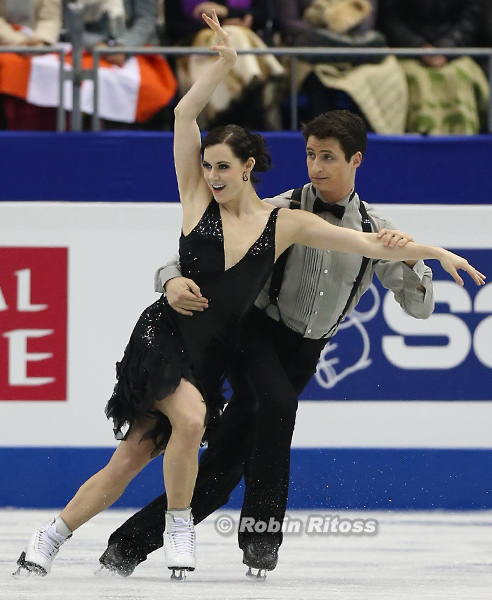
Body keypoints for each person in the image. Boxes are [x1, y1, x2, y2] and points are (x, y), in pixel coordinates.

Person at [15, 10, 485, 581]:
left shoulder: (291, 221)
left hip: (243, 355)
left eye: (224, 167)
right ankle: (226, 535)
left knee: (168, 457)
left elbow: (386, 266)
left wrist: (430, 254)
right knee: (227, 417)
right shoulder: (230, 201)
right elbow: (185, 136)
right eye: (310, 154)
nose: (213, 175)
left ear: (250, 169)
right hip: (214, 336)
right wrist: (224, 67)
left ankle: (85, 542)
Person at [96, 108, 483, 579]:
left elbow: (419, 309)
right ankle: (262, 541)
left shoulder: (372, 228)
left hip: (305, 353)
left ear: (355, 160)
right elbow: (192, 250)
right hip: (253, 335)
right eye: (309, 155)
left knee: (224, 466)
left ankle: (126, 548)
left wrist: (417, 259)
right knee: (277, 404)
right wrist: (170, 280)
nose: (316, 167)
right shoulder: (275, 208)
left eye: (328, 158)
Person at [273, 0, 409, 134]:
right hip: (313, 55)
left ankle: (370, 139)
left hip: (358, 53)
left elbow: (368, 22)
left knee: (383, 75)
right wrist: (327, 32)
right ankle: (322, 138)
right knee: (316, 79)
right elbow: (289, 23)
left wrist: (343, 32)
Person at [378, 0, 488, 134]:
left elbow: (471, 18)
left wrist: (446, 48)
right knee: (415, 78)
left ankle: (463, 143)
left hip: (456, 52)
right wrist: (419, 47)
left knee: (458, 75)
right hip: (406, 52)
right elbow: (389, 19)